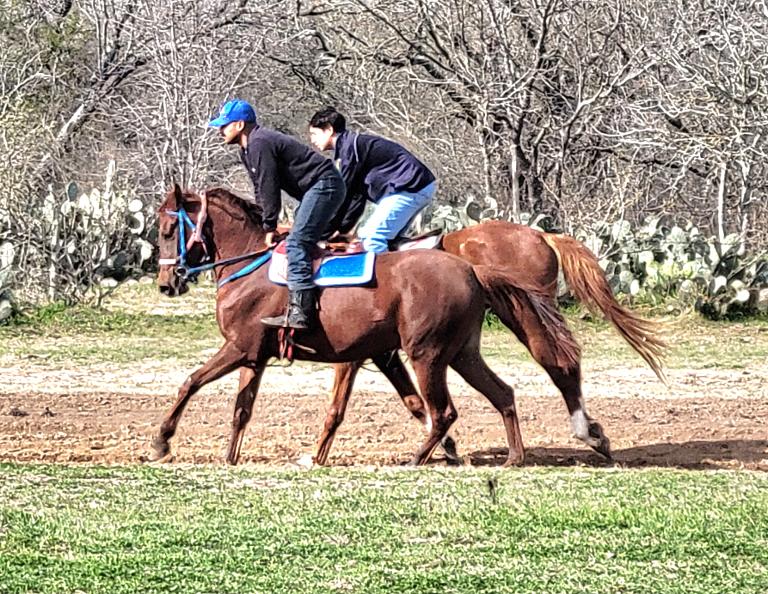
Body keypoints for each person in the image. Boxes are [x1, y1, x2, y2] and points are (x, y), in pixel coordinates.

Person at [208, 99, 346, 330]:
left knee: (297, 243)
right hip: (316, 189)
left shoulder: (260, 143)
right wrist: (265, 223)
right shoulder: (247, 149)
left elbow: (269, 187)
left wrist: (269, 226)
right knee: (299, 241)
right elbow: (260, 190)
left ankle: (301, 312)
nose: (220, 130)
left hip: (326, 185)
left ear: (240, 124)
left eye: (225, 125)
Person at [308, 107, 436, 253]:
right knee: (391, 242)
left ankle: (384, 276)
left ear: (329, 130)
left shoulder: (350, 149)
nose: (312, 140)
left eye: (314, 134)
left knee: (371, 238)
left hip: (410, 187)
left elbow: (344, 194)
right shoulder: (349, 148)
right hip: (415, 187)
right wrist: (341, 229)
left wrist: (322, 233)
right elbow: (356, 198)